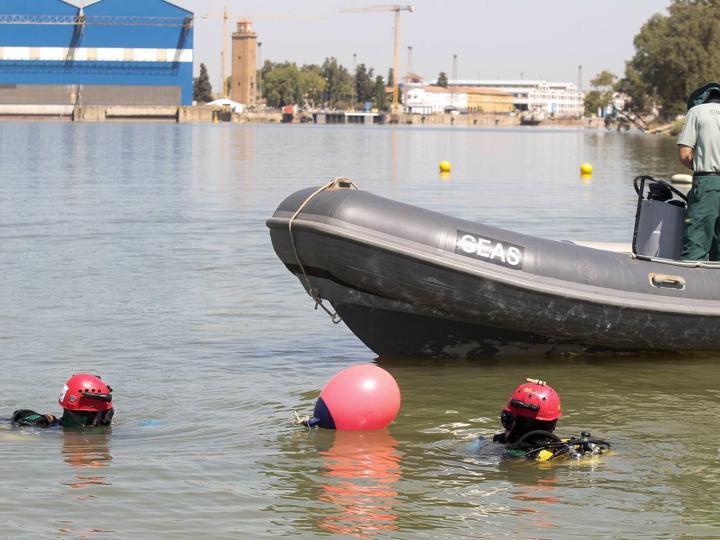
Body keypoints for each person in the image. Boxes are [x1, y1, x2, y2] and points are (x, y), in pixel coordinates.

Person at [493, 379, 609, 462]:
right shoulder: (566, 449)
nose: (504, 427)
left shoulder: (507, 456)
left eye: (507, 420)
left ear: (521, 426)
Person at [677, 82, 720, 261]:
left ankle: (689, 282)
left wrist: (701, 164)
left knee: (697, 239)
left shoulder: (696, 112)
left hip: (707, 183)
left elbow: (685, 153)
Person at [11, 373, 114, 429]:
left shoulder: (104, 424)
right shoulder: (50, 424)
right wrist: (44, 419)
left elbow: (19, 414)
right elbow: (20, 414)